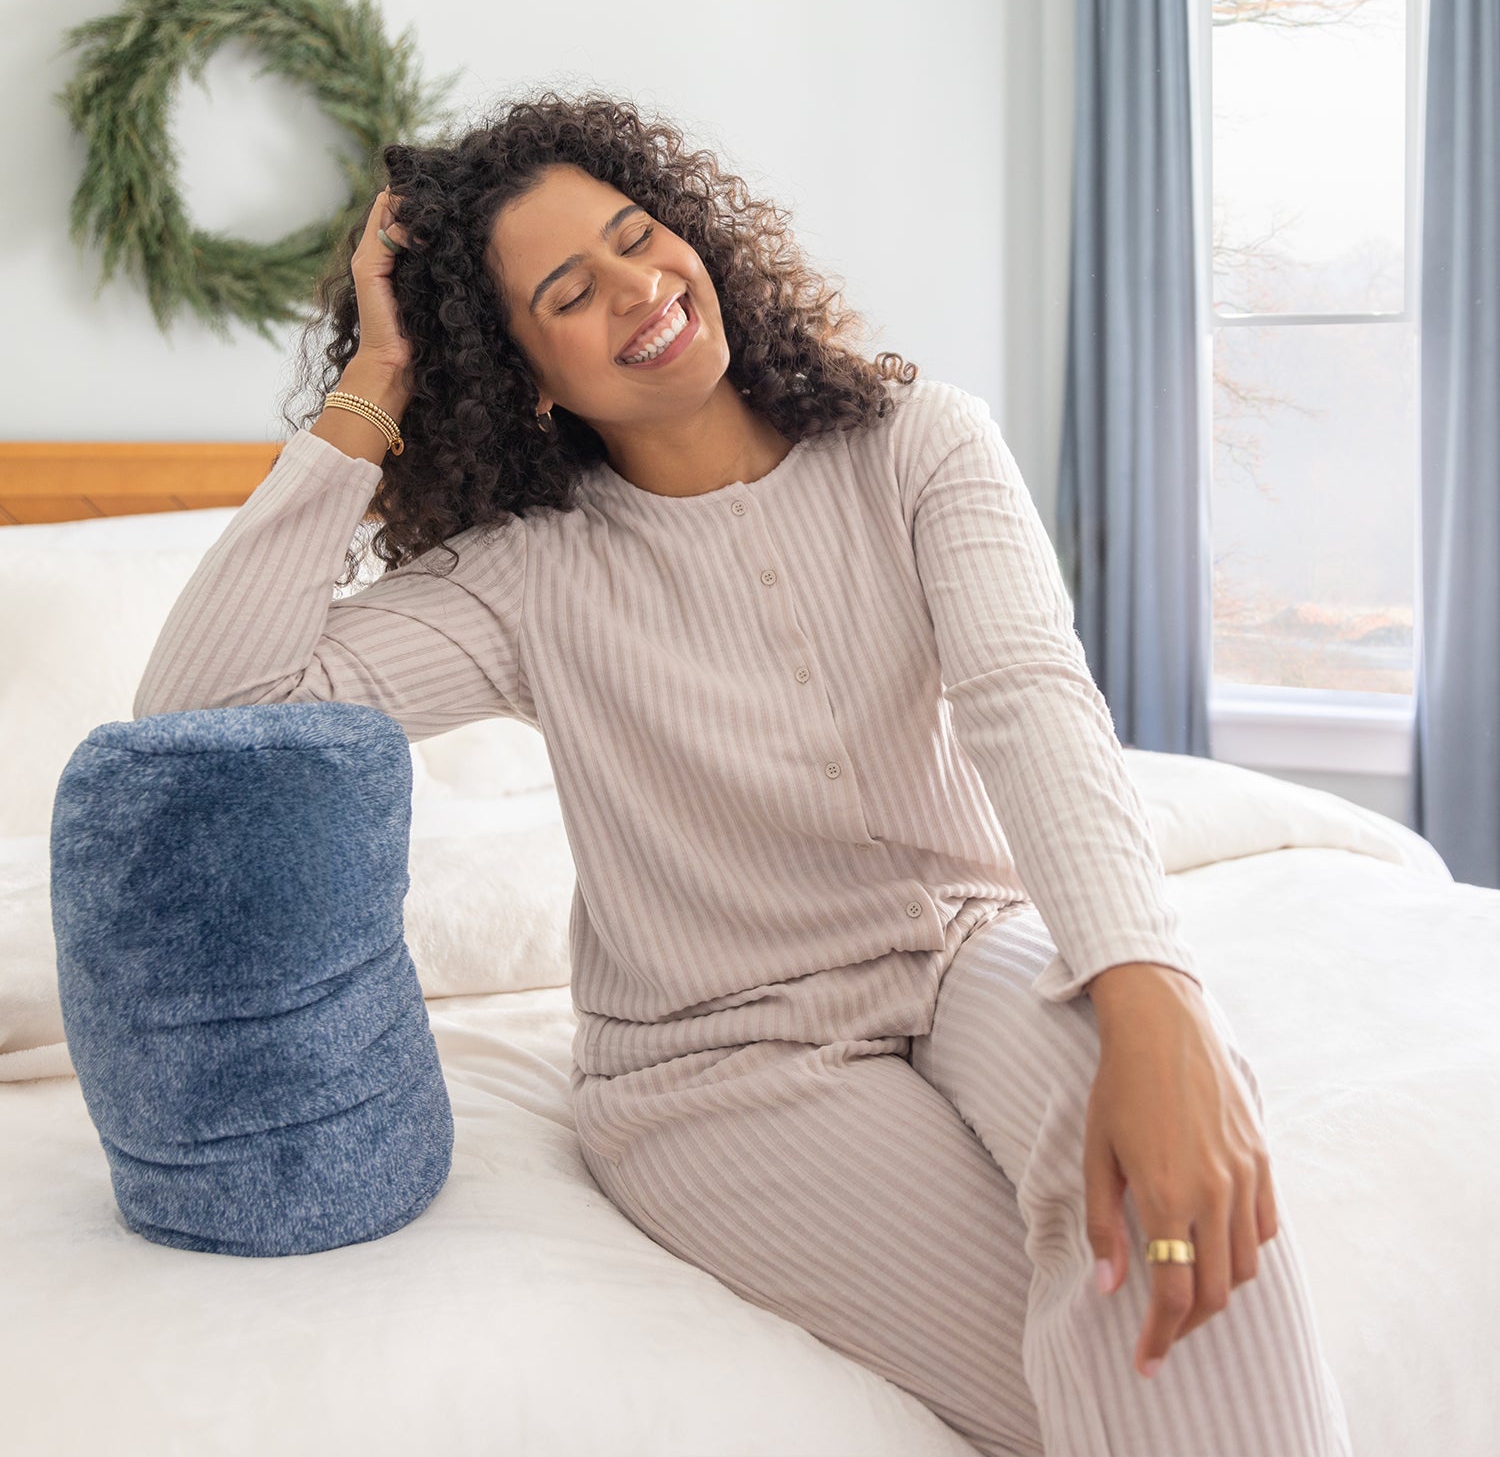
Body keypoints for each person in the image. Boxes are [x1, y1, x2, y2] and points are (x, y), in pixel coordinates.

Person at [136, 89, 1352, 1457]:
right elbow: (203, 714)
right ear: (524, 374)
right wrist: (377, 382)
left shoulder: (917, 439)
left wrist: (1155, 994)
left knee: (1174, 1133)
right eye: (568, 294)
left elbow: (1031, 703)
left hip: (968, 949)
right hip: (722, 1064)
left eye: (637, 236)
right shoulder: (524, 577)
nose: (637, 288)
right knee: (1132, 1367)